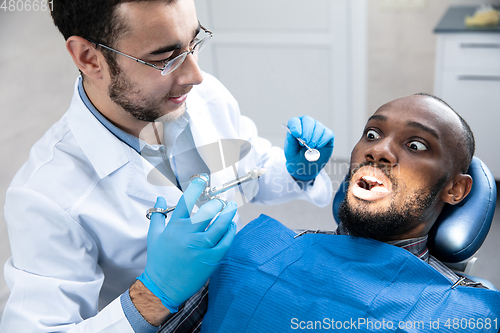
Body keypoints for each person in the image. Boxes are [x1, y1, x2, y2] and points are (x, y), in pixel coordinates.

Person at [1, 0, 335, 332]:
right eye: (165, 57)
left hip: (239, 298)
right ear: (90, 59)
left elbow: (249, 174)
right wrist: (154, 294)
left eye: (195, 41)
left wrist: (298, 171)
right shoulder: (43, 197)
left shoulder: (203, 98)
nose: (195, 75)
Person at [201, 94, 500, 332]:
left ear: (455, 190)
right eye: (372, 133)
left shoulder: (469, 313)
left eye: (416, 144)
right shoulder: (255, 250)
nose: (379, 150)